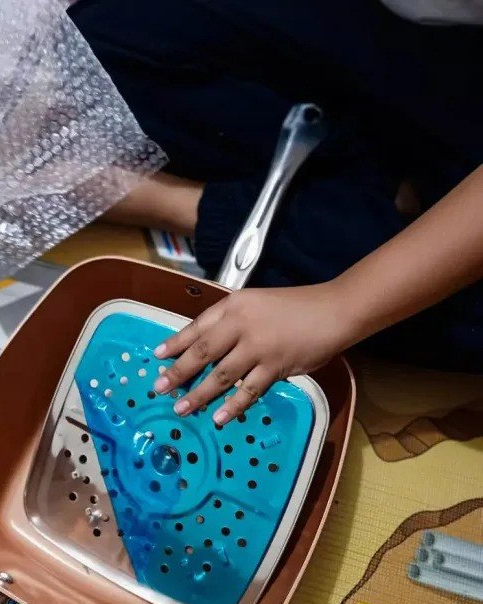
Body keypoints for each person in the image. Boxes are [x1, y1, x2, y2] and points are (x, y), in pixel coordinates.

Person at [69, 0, 483, 424]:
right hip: (429, 52)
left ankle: (186, 203)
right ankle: (359, 182)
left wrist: (337, 307)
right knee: (100, 40)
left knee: (422, 305)